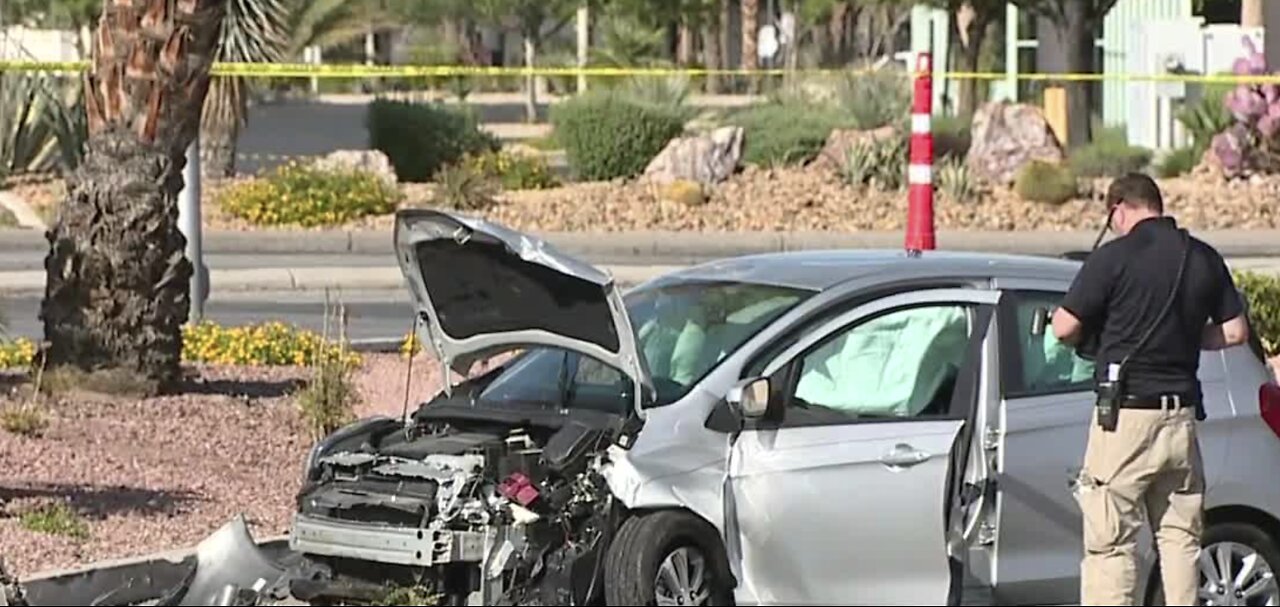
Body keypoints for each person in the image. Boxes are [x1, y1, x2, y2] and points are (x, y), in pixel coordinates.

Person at [1050, 172, 1250, 606]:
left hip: (1125, 417)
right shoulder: (1202, 257)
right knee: (1180, 539)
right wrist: (1189, 337)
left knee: (1111, 542)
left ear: (1119, 209)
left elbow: (1064, 327)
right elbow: (1235, 332)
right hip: (1180, 418)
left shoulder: (1112, 258)